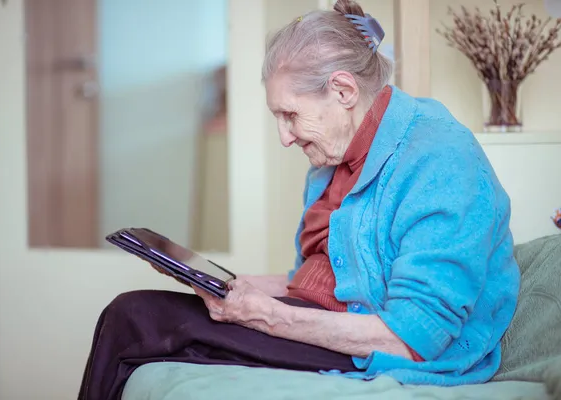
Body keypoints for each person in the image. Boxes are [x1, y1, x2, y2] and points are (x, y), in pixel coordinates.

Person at [77, 0, 520, 398]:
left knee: (135, 317)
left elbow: (415, 336)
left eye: (290, 115)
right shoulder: (332, 159)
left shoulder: (440, 160)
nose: (284, 138)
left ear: (344, 91)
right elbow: (315, 279)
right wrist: (235, 285)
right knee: (139, 312)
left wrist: (269, 317)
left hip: (383, 348)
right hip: (332, 323)